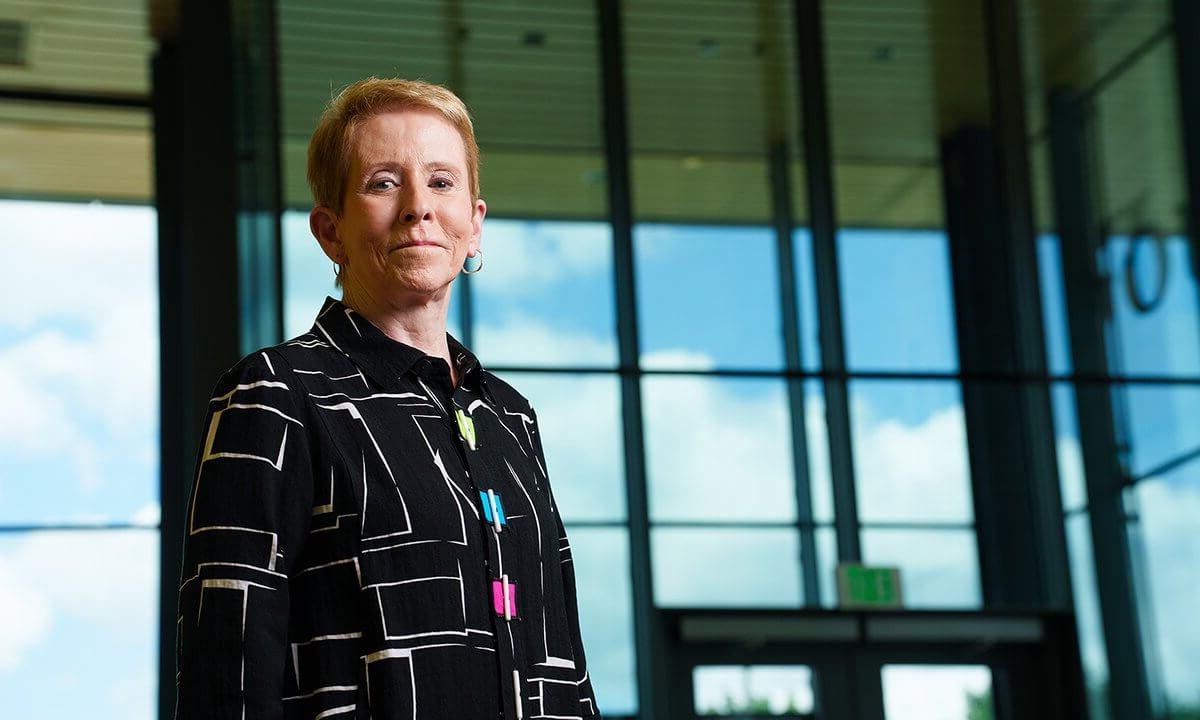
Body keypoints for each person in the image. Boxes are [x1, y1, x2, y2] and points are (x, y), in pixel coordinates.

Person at [174, 77, 600, 720]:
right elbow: (225, 667)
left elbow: (561, 651)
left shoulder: (507, 417)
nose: (418, 208)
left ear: (475, 223)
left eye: (441, 181)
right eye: (382, 182)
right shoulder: (276, 394)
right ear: (331, 231)